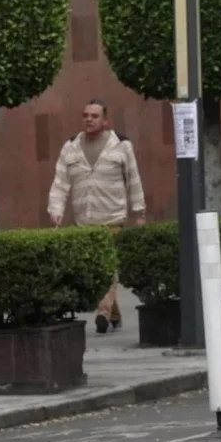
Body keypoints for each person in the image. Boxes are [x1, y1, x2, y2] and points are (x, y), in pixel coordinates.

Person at [47, 99, 146, 335]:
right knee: (98, 272)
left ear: (105, 120)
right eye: (85, 115)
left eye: (94, 115)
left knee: (109, 269)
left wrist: (139, 212)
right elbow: (60, 182)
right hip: (85, 222)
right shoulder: (70, 147)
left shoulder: (121, 145)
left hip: (113, 217)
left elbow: (134, 179)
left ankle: (103, 311)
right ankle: (114, 315)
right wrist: (56, 210)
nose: (88, 119)